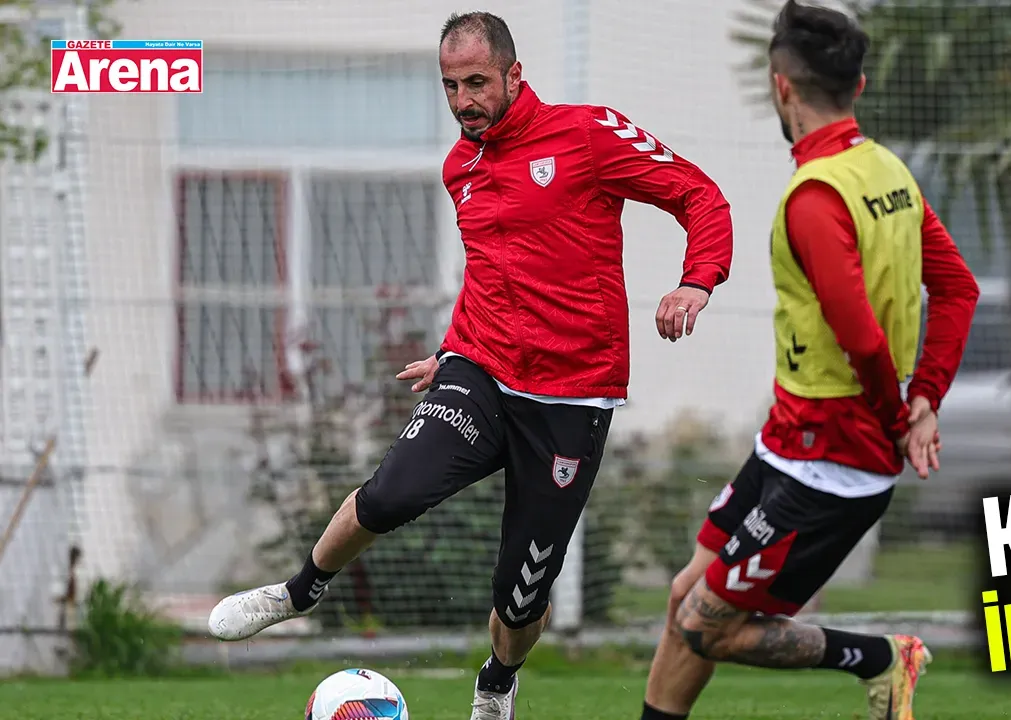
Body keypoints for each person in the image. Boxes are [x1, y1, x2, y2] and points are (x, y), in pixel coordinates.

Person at [206, 11, 734, 720]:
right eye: (450, 86)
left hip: (572, 399)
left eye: (477, 83)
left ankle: (498, 678)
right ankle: (298, 593)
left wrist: (697, 281)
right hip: (481, 373)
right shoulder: (463, 166)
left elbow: (698, 194)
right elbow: (492, 269)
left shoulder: (587, 134)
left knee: (520, 597)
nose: (463, 101)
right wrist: (453, 348)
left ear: (515, 75)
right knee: (391, 493)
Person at [638, 3, 980, 719]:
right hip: (791, 441)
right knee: (685, 596)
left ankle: (883, 658)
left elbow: (864, 341)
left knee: (706, 625)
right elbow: (957, 289)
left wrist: (903, 418)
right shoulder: (887, 171)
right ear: (858, 87)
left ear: (782, 87)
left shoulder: (816, 197)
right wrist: (924, 401)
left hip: (834, 460)